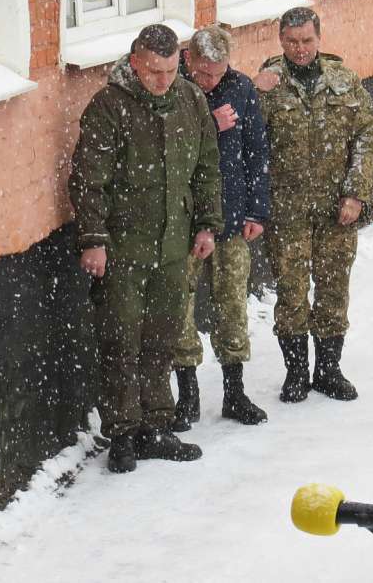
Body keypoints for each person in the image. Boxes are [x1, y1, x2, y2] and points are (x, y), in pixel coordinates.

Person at [69, 24, 223, 474]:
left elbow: (207, 167)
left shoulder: (191, 100)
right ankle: (122, 432)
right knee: (120, 338)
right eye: (154, 71)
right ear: (135, 62)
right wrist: (94, 239)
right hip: (122, 247)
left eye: (172, 70)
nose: (163, 81)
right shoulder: (109, 107)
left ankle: (156, 425)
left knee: (162, 337)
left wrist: (207, 225)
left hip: (174, 244)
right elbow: (88, 179)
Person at [254, 7, 373, 403]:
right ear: (280, 41)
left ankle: (328, 369)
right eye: (292, 42)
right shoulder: (267, 86)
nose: (300, 49)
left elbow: (367, 134)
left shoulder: (344, 80)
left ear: (319, 38)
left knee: (333, 289)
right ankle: (296, 372)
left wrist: (356, 192)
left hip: (335, 208)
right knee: (291, 292)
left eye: (307, 40)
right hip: (286, 208)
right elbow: (250, 144)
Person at [170, 26, 270, 431]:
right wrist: (208, 125)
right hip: (181, 223)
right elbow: (164, 147)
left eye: (218, 74)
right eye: (204, 74)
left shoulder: (241, 88)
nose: (211, 82)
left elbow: (256, 152)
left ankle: (234, 392)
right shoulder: (170, 88)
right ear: (189, 59)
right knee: (181, 308)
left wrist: (256, 211)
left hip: (230, 219)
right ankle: (188, 395)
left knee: (232, 304)